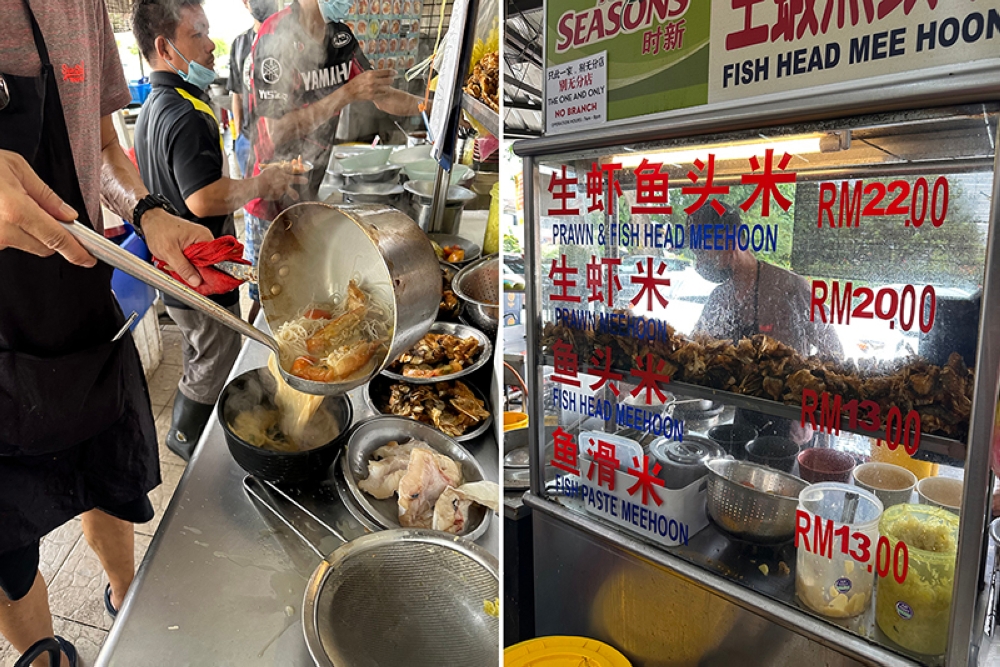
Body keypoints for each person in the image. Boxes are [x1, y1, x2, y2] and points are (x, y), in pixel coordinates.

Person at [0, 1, 213, 664]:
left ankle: (128, 597)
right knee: (6, 540)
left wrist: (147, 212)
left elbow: (102, 149)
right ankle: (42, 653)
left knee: (110, 475)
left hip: (81, 304)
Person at [132, 0, 300, 461]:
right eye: (198, 35)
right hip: (201, 271)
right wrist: (262, 183)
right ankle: (190, 445)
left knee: (198, 349)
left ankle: (194, 439)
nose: (210, 47)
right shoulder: (186, 114)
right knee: (214, 358)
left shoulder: (154, 105)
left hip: (171, 270)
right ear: (165, 48)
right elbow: (202, 198)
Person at [242, 0, 426, 323]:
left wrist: (432, 106)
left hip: (307, 192)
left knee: (302, 285)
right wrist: (347, 94)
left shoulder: (340, 38)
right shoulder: (275, 37)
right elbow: (278, 131)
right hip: (269, 195)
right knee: (269, 296)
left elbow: (381, 97)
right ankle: (260, 354)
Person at [689, 201, 842, 444]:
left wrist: (808, 411)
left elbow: (834, 352)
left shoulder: (789, 287)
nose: (699, 264)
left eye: (703, 252)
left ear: (732, 241)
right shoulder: (719, 297)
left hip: (791, 422)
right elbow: (693, 352)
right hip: (744, 415)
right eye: (696, 255)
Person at [227, 0, 277, 178]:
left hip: (281, 140)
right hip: (248, 141)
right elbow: (237, 94)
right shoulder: (239, 44)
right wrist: (239, 136)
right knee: (251, 200)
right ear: (245, 3)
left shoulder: (289, 39)